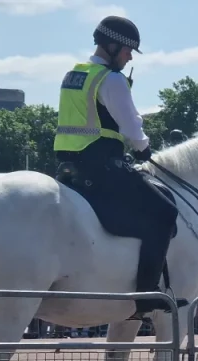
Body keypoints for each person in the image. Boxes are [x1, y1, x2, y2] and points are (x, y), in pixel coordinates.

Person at [53, 15, 178, 319]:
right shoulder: (110, 79)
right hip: (101, 167)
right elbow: (131, 126)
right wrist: (144, 148)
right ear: (111, 46)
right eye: (127, 50)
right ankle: (147, 295)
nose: (130, 57)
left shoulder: (74, 75)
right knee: (164, 212)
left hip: (69, 168)